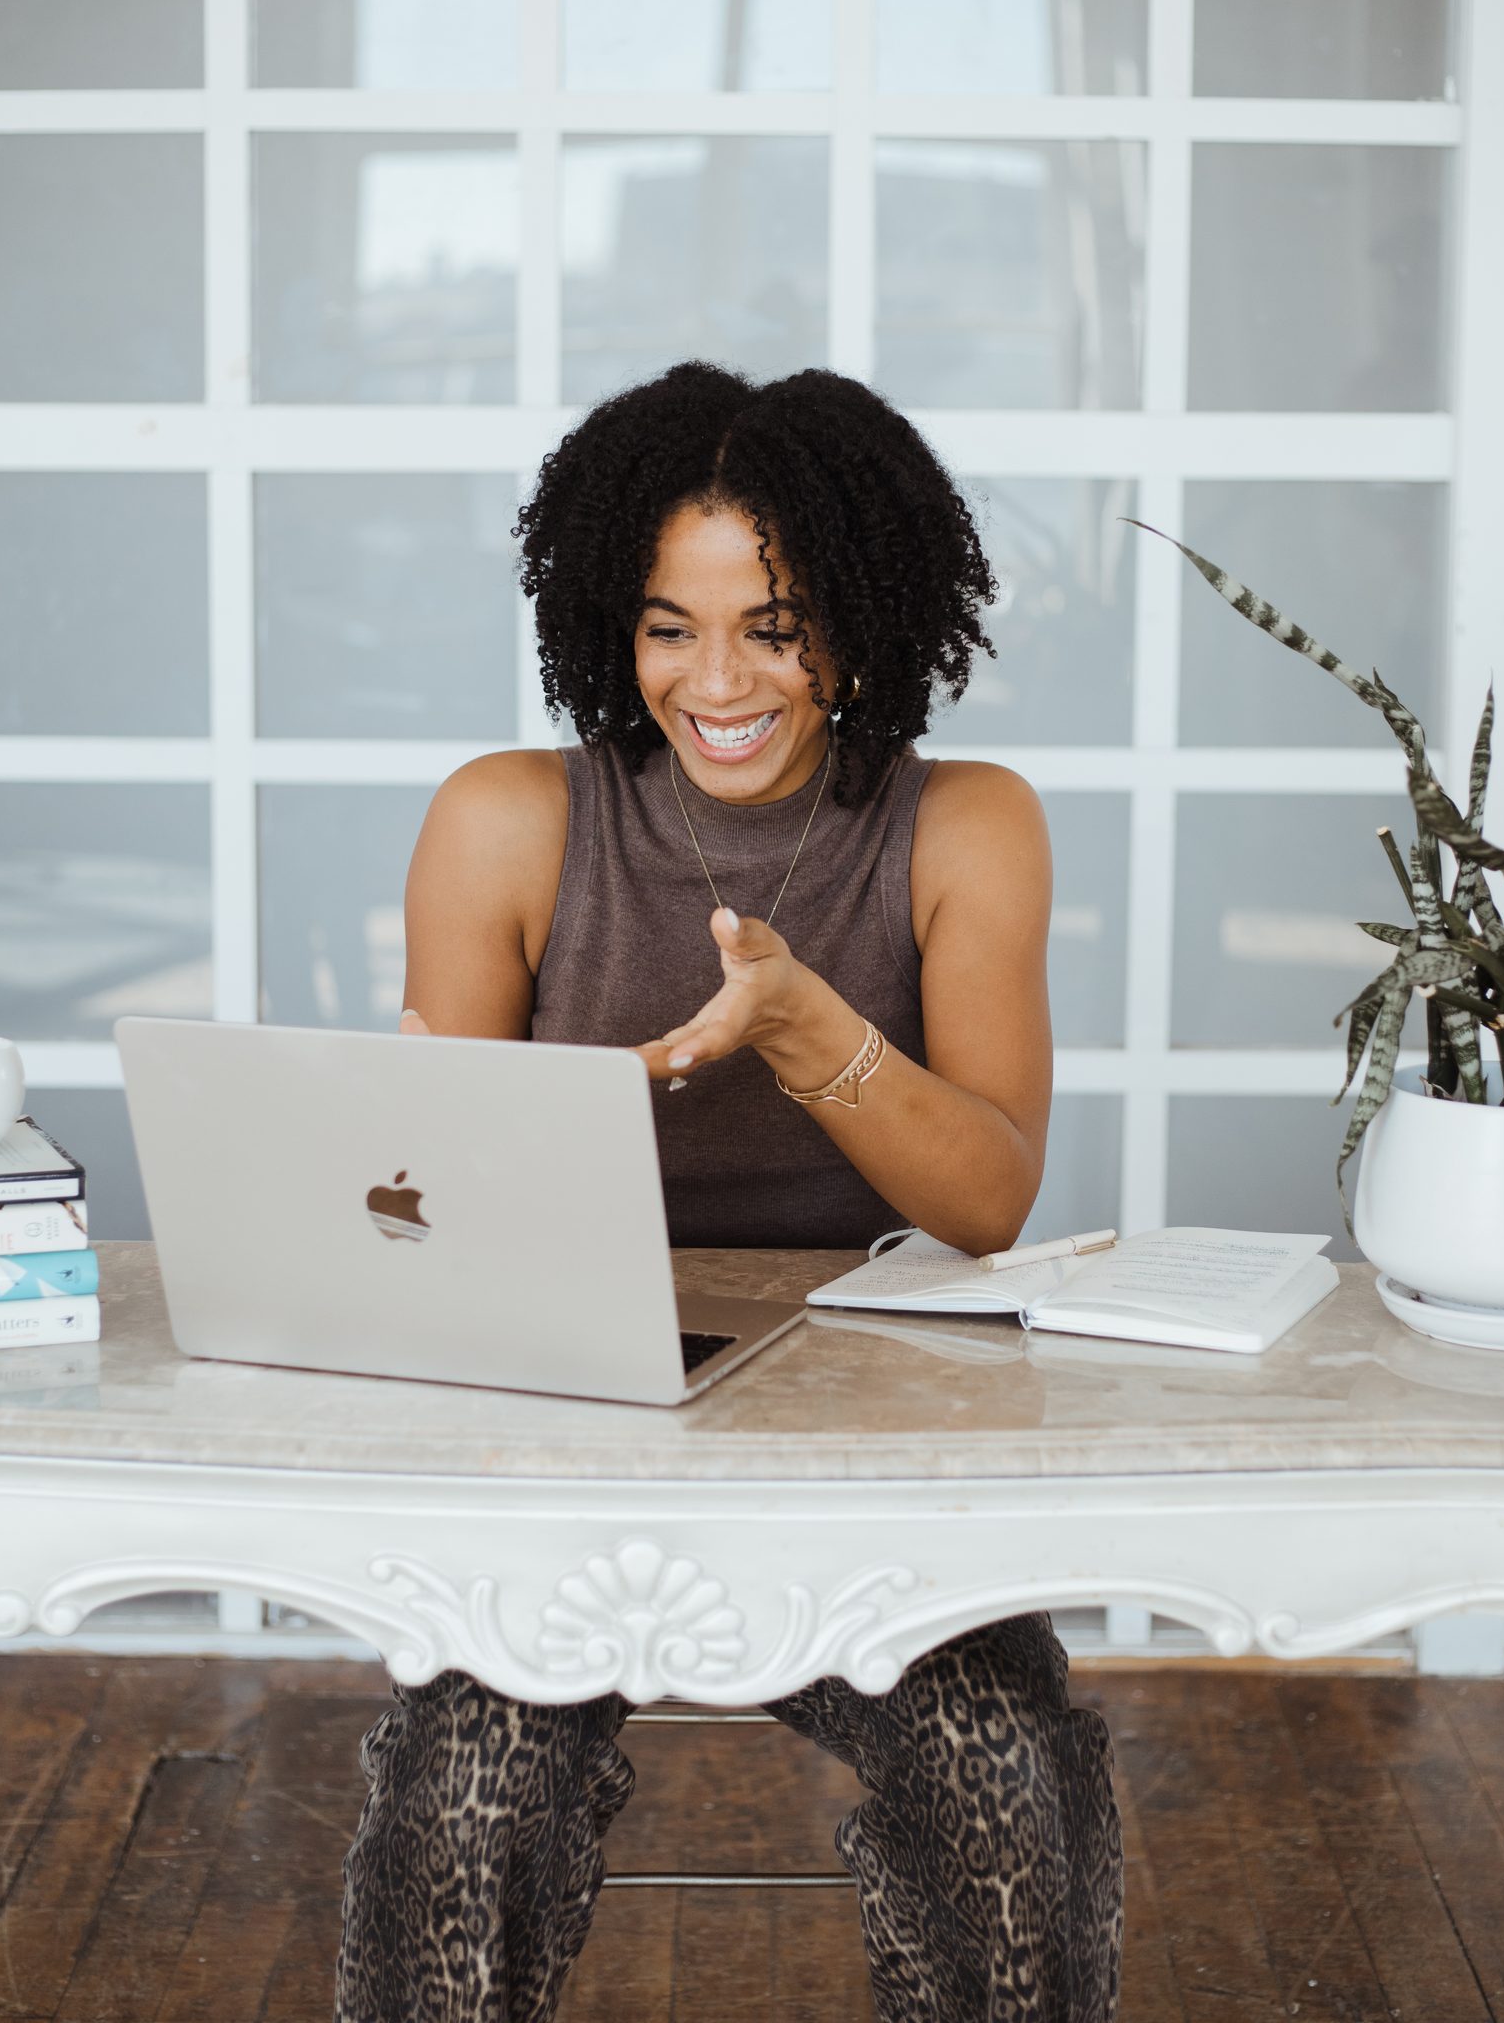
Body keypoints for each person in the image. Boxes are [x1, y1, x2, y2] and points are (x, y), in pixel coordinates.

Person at [334, 361, 1124, 2023]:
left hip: (874, 1441)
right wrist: (403, 1152)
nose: (719, 680)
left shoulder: (966, 827)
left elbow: (988, 1201)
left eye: (775, 624)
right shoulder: (507, 822)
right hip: (571, 1427)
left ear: (864, 614)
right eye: (665, 627)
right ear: (605, 632)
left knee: (1004, 1774)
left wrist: (803, 1026)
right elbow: (413, 1232)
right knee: (458, 1793)